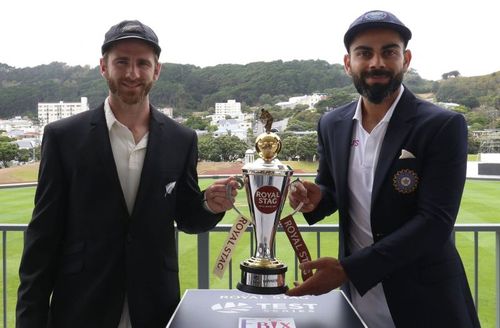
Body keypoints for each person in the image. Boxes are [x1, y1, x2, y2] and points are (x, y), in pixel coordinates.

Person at [16, 20, 238, 328]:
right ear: (103, 67)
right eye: (121, 61)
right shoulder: (63, 137)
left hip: (155, 307)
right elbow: (43, 238)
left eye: (142, 63)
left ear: (156, 70)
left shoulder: (181, 138)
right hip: (82, 308)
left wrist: (209, 206)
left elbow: (187, 217)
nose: (132, 73)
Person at [287, 10, 480, 328]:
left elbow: (434, 223)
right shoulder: (332, 123)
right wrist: (315, 196)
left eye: (389, 51)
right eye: (364, 53)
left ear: (405, 59)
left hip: (426, 302)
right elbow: (331, 188)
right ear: (349, 63)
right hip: (359, 301)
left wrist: (349, 270)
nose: (377, 62)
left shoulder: (442, 125)